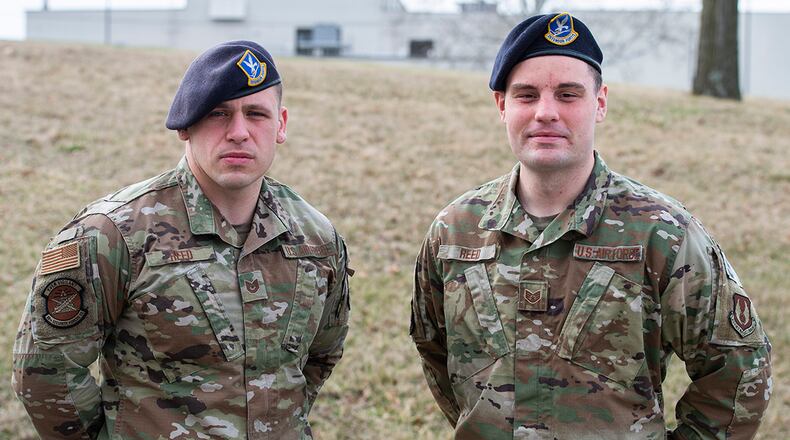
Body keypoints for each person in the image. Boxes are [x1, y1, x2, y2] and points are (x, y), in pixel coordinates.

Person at [410, 12, 771, 439]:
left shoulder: (662, 233)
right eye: (526, 95)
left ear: (599, 103)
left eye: (568, 94)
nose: (546, 113)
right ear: (502, 105)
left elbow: (738, 369)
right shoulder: (455, 231)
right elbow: (436, 351)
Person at [13, 40, 351, 439]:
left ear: (280, 125)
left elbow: (320, 356)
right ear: (186, 125)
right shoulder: (112, 234)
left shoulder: (315, 236)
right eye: (218, 114)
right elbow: (46, 372)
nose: (239, 132)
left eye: (256, 114)